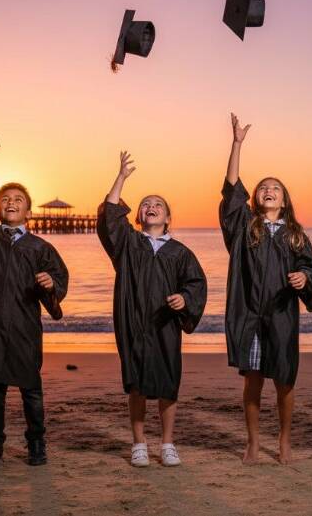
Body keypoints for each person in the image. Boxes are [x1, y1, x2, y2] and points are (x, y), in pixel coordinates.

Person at [0, 129, 69, 467]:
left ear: (29, 213)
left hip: (22, 327)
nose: (10, 202)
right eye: (6, 198)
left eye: (18, 200)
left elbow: (59, 281)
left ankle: (37, 444)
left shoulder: (39, 247)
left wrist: (50, 284)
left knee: (31, 390)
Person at [219, 113, 312, 465]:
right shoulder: (245, 228)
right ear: (256, 198)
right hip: (249, 314)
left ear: (284, 200)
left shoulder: (296, 235)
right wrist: (236, 144)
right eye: (263, 187)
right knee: (252, 381)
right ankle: (252, 442)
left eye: (275, 189)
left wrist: (304, 279)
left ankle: (284, 439)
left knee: (284, 381)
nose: (268, 191)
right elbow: (231, 191)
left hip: (281, 316)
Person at [97, 151, 208, 468]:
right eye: (146, 204)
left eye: (158, 204)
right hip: (133, 321)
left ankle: (168, 443)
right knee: (137, 383)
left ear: (168, 217)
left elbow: (196, 283)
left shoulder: (180, 252)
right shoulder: (129, 245)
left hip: (165, 325)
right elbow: (110, 216)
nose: (151, 207)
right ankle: (139, 443)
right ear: (138, 216)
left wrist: (185, 299)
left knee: (168, 384)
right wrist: (121, 177)